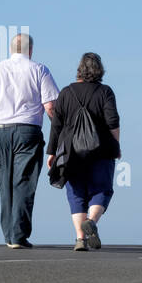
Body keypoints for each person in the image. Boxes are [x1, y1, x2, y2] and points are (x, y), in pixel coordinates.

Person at [0, 33, 58, 248]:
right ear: (30, 50)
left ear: (11, 49)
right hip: (28, 131)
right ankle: (18, 234)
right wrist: (60, 129)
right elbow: (51, 105)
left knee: (4, 182)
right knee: (24, 181)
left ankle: (8, 233)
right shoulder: (39, 70)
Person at [46, 52, 120, 251]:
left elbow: (57, 125)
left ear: (79, 69)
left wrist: (52, 152)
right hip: (101, 149)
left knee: (76, 193)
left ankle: (80, 239)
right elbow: (113, 122)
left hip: (71, 152)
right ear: (100, 70)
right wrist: (116, 146)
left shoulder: (66, 92)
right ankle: (92, 221)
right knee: (102, 189)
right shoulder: (105, 92)